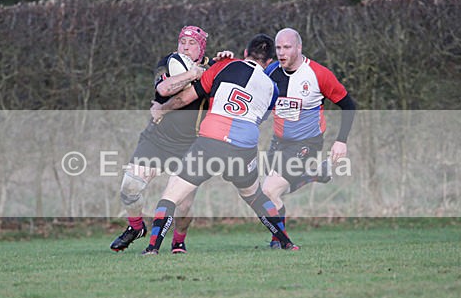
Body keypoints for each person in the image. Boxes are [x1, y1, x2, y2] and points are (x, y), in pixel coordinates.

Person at [143, 33, 298, 255]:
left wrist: (162, 108)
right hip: (244, 148)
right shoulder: (273, 88)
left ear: (245, 53)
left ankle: (152, 248)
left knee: (171, 195)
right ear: (270, 62)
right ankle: (286, 243)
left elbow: (185, 98)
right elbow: (260, 118)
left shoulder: (224, 66)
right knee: (255, 196)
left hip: (211, 141)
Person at [109, 25, 210, 253]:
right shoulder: (168, 62)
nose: (185, 46)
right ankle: (136, 227)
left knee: (183, 206)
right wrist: (193, 74)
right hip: (158, 138)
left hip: (191, 144)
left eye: (192, 43)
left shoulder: (212, 67)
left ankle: (178, 241)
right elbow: (164, 90)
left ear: (201, 48)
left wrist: (221, 60)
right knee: (130, 186)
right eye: (182, 41)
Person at [262, 28, 356, 247]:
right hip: (279, 141)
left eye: (287, 47)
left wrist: (341, 140)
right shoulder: (272, 72)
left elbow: (348, 105)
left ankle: (281, 241)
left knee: (269, 190)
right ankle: (312, 175)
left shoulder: (318, 74)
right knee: (277, 191)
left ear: (299, 48)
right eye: (278, 48)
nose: (281, 53)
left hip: (307, 142)